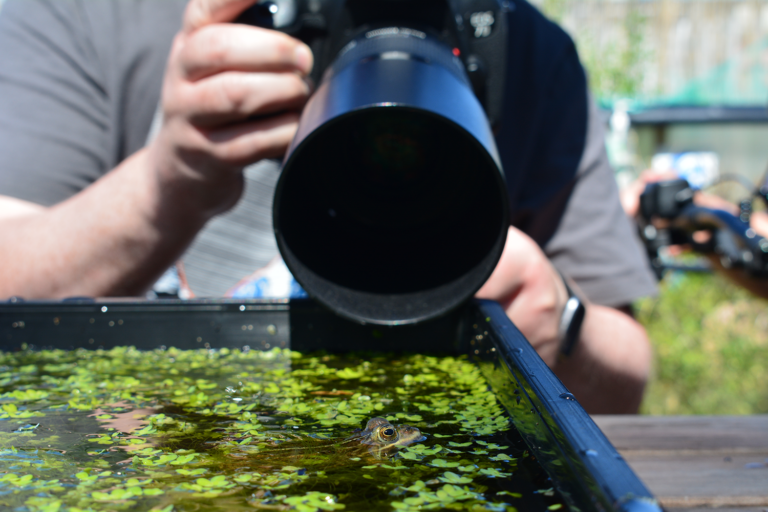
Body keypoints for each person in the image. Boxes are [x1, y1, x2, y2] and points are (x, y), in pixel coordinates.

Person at [0, 0, 656, 413]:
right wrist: (167, 182)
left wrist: (556, 319)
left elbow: (624, 375)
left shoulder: (526, 50)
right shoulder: (87, 13)